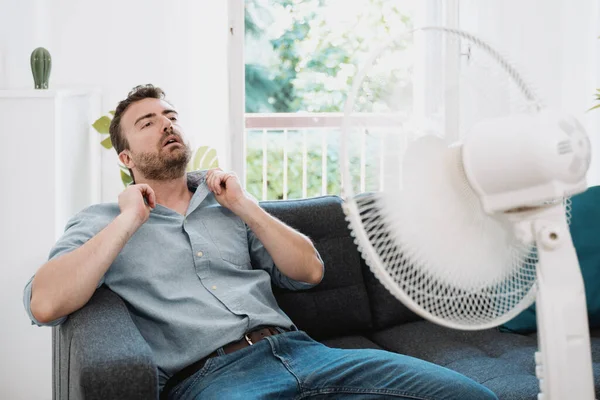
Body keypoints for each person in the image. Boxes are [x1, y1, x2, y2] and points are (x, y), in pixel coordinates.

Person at [23, 84, 498, 400]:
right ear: (126, 156)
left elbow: (310, 270)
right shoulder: (103, 221)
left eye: (170, 115)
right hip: (213, 380)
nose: (167, 123)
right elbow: (45, 303)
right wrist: (129, 220)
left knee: (468, 395)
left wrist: (246, 205)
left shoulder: (228, 204)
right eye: (147, 122)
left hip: (306, 354)